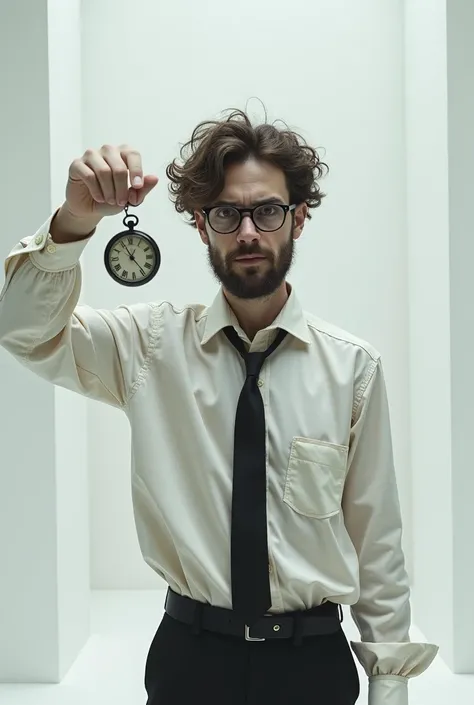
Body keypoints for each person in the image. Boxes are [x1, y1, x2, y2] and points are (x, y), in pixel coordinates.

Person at [0, 108, 438, 705]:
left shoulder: (353, 370)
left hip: (313, 665)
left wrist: (390, 681)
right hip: (191, 661)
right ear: (202, 227)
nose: (249, 232)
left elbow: (375, 536)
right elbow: (22, 329)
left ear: (298, 219)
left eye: (268, 210)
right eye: (227, 214)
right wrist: (74, 222)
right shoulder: (147, 347)